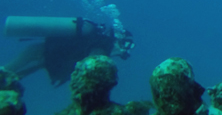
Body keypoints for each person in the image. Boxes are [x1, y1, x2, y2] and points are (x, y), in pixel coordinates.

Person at [2, 16, 134, 86]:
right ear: (119, 40)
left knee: (12, 75)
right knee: (7, 72)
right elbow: (91, 66)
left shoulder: (99, 40)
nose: (124, 51)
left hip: (47, 54)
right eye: (127, 46)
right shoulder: (102, 46)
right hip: (43, 53)